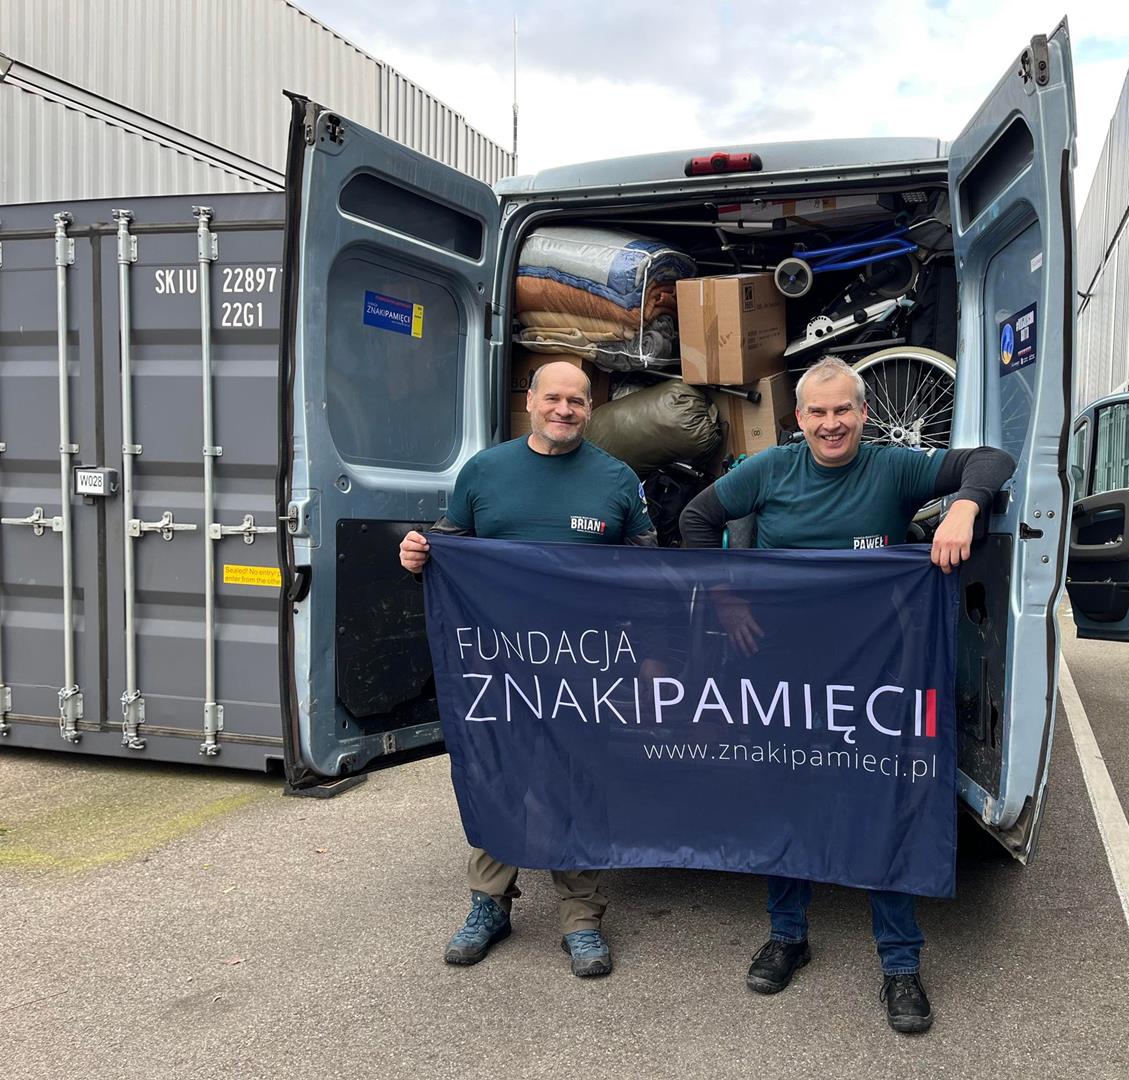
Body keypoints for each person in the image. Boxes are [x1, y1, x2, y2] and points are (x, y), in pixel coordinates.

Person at [678, 356, 1014, 1033]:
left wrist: (965, 506)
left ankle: (900, 962)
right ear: (799, 418)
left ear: (863, 413)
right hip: (784, 675)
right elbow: (696, 516)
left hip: (874, 675)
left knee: (882, 804)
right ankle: (787, 935)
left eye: (842, 410)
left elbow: (992, 460)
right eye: (818, 412)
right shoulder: (771, 469)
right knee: (786, 798)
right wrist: (727, 600)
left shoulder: (894, 469)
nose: (831, 424)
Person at [399, 360, 656, 978]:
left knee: (579, 781)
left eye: (577, 401)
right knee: (498, 773)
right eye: (554, 398)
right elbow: (448, 547)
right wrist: (417, 554)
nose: (564, 410)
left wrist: (646, 652)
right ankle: (489, 905)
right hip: (499, 663)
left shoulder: (618, 479)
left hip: (587, 664)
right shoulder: (485, 472)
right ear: (532, 402)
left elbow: (649, 572)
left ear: (590, 409)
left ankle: (580, 917)